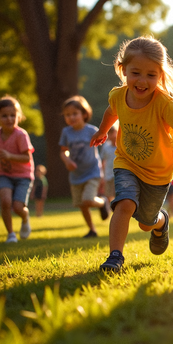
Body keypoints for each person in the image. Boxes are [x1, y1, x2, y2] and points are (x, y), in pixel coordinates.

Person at [90, 35, 173, 272]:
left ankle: (162, 221)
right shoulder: (118, 95)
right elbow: (112, 112)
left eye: (151, 75)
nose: (142, 81)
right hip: (126, 162)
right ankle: (115, 256)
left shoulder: (164, 103)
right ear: (123, 70)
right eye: (136, 73)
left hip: (157, 174)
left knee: (145, 223)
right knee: (125, 204)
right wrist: (102, 131)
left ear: (160, 75)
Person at [60, 95, 111, 238]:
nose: (71, 117)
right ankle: (92, 229)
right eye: (67, 115)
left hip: (92, 172)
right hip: (76, 174)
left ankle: (102, 203)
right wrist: (67, 161)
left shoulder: (91, 130)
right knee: (82, 205)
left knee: (87, 200)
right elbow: (63, 151)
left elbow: (100, 147)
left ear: (84, 114)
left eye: (74, 114)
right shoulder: (66, 132)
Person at [0, 95, 34, 242]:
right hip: (4, 174)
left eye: (12, 115)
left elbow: (27, 158)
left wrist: (9, 156)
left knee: (17, 207)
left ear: (19, 117)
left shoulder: (21, 135)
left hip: (23, 175)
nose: (9, 119)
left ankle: (25, 217)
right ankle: (10, 234)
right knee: (4, 201)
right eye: (4, 116)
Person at [100, 121, 118, 202]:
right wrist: (102, 175)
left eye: (114, 133)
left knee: (118, 194)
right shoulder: (106, 147)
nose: (112, 136)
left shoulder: (121, 146)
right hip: (108, 174)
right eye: (110, 134)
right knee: (108, 195)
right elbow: (103, 161)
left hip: (118, 174)